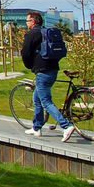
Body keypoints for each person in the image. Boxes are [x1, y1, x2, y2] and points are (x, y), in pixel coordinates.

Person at [20, 11, 76, 142]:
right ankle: (36, 127)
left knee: (46, 101)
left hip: (42, 71)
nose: (26, 23)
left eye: (27, 21)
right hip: (53, 70)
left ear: (33, 22)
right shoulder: (46, 32)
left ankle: (66, 126)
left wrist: (29, 66)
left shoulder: (31, 34)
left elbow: (25, 53)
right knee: (37, 98)